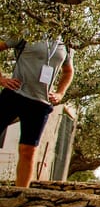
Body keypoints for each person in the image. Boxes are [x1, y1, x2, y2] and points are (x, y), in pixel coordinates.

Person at [0, 36, 73, 187]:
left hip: (40, 104)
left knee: (29, 150)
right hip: (15, 94)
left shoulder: (67, 43)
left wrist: (60, 93)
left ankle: (20, 194)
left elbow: (68, 71)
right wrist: (1, 79)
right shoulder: (29, 31)